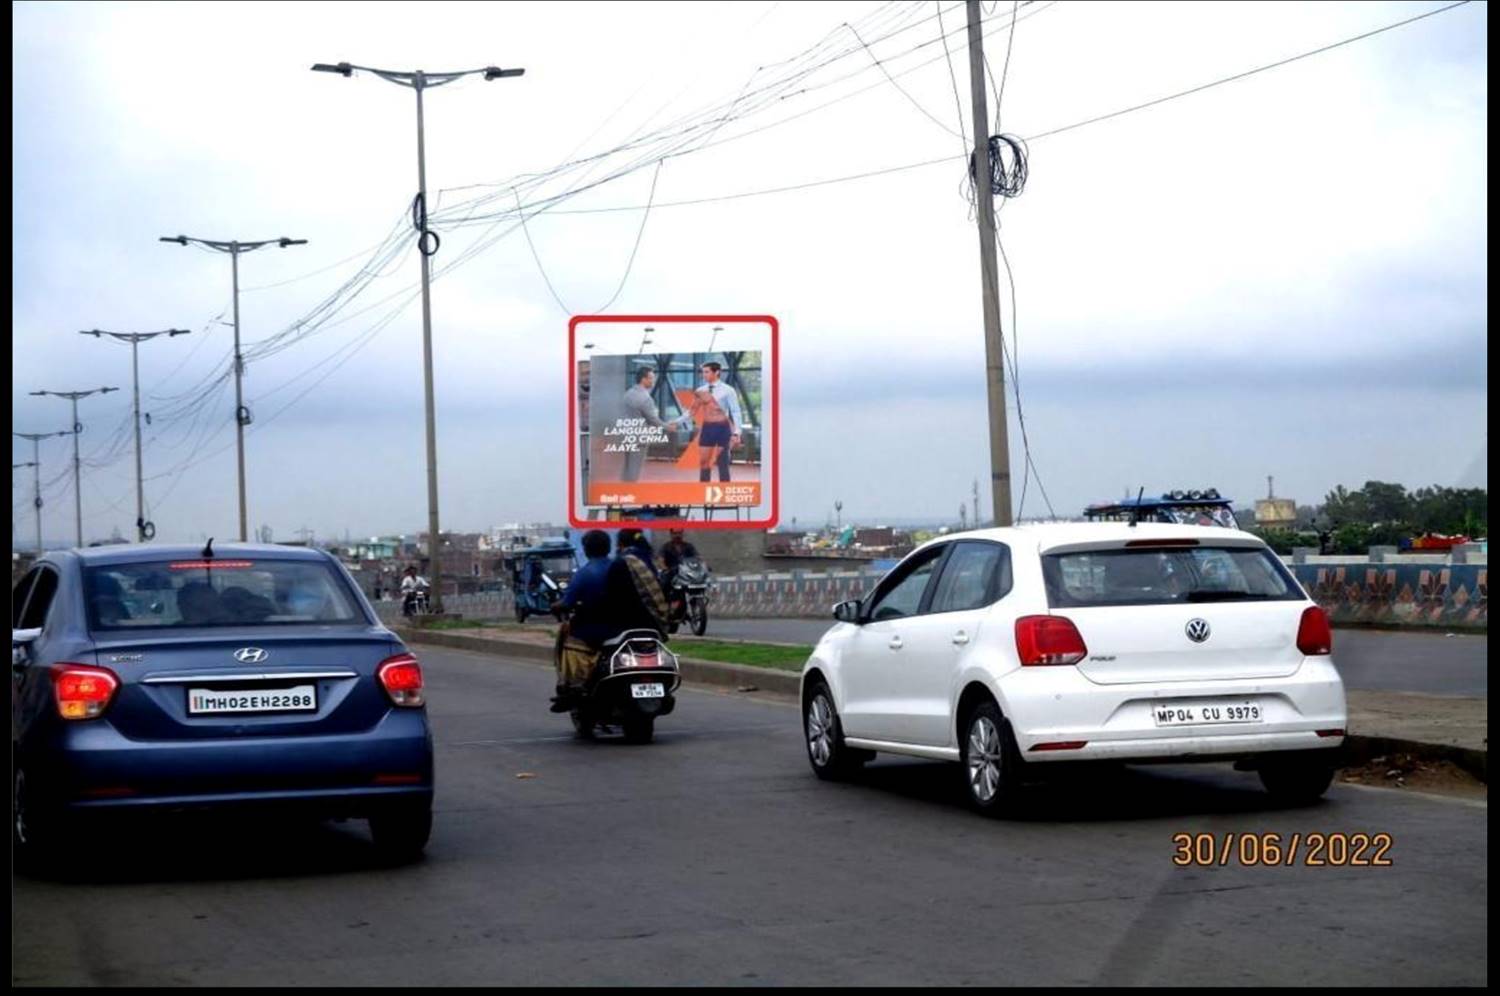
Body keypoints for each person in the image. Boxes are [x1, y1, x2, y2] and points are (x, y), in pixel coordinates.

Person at [550, 530, 613, 712]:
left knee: (565, 633)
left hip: (592, 631)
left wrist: (556, 606)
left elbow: (567, 602)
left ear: (586, 550)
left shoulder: (584, 574)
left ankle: (569, 686)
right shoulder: (620, 568)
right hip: (621, 628)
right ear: (608, 548)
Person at [672, 361, 744, 483]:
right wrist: (676, 422)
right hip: (707, 429)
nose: (703, 375)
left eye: (707, 372)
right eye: (703, 372)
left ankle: (724, 495)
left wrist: (737, 432)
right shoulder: (700, 390)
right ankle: (703, 493)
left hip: (723, 428)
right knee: (704, 462)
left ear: (717, 372)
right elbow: (691, 411)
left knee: (723, 462)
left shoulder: (728, 390)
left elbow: (736, 411)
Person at [620, 366, 670, 482]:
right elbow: (653, 420)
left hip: (625, 435)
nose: (653, 381)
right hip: (639, 438)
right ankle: (630, 494)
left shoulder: (627, 394)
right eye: (651, 378)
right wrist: (668, 427)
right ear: (644, 379)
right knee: (634, 468)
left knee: (627, 467)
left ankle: (622, 493)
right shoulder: (646, 398)